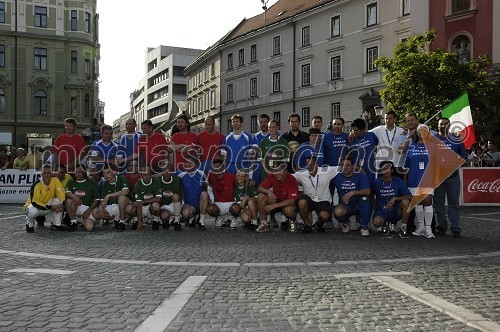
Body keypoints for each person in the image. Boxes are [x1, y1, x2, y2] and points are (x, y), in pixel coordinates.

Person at [434, 117, 467, 237]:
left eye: (445, 124)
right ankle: (442, 227)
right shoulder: (433, 139)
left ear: (449, 125)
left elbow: (463, 157)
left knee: (453, 203)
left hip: (453, 177)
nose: (442, 126)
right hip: (438, 178)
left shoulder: (456, 139)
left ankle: (455, 228)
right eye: (440, 124)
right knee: (438, 203)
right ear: (437, 126)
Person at [293, 154, 339, 233]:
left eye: (311, 164)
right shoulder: (302, 174)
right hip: (310, 200)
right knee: (301, 203)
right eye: (307, 165)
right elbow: (289, 177)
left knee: (325, 216)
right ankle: (307, 224)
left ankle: (319, 223)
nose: (309, 167)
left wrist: (357, 168)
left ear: (317, 164)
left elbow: (341, 168)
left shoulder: (326, 170)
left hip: (323, 200)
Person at [404, 125, 435, 238]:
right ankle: (420, 226)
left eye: (425, 130)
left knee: (427, 201)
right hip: (414, 179)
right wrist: (406, 178)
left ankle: (428, 228)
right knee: (417, 203)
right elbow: (407, 166)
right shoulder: (411, 147)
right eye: (419, 131)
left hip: (428, 179)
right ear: (416, 133)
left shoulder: (433, 147)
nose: (422, 132)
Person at [331, 157, 371, 236]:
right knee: (337, 212)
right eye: (343, 165)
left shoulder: (360, 176)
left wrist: (352, 193)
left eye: (348, 165)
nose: (345, 167)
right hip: (346, 205)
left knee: (365, 199)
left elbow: (368, 191)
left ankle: (364, 227)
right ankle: (345, 222)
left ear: (353, 166)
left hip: (359, 204)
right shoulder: (336, 177)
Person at [371, 161, 412, 239]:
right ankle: (385, 223)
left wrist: (395, 198)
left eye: (388, 169)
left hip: (395, 210)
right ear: (380, 171)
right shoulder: (376, 182)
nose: (386, 171)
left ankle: (403, 227)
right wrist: (375, 209)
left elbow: (410, 196)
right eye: (383, 169)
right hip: (382, 210)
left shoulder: (398, 181)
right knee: (376, 222)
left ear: (392, 170)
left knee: (406, 202)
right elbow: (371, 195)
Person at [256, 162, 299, 233]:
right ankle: (264, 223)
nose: (277, 173)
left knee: (289, 210)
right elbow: (259, 188)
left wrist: (274, 206)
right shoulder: (272, 176)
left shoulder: (291, 179)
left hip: (287, 203)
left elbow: (292, 200)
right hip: (276, 199)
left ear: (285, 171)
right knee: (261, 196)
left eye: (279, 171)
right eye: (275, 171)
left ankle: (293, 222)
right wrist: (269, 191)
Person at [23, 164, 66, 233]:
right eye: (44, 173)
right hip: (35, 206)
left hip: (47, 205)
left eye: (48, 173)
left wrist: (62, 204)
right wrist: (50, 207)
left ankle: (57, 224)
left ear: (52, 173)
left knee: (58, 201)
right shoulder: (37, 184)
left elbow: (61, 193)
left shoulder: (55, 180)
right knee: (33, 211)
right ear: (41, 174)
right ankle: (29, 224)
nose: (46, 175)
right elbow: (34, 202)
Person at [91, 163, 130, 231]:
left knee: (121, 198)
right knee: (95, 212)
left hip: (125, 205)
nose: (105, 175)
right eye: (104, 173)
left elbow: (125, 191)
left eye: (108, 172)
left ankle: (122, 222)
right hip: (113, 206)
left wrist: (109, 195)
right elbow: (103, 201)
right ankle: (116, 218)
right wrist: (101, 206)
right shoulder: (105, 184)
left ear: (114, 172)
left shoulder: (122, 178)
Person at [177, 155, 210, 231]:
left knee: (204, 194)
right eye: (186, 162)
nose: (187, 164)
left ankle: (201, 222)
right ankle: (192, 217)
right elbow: (165, 174)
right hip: (189, 204)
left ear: (196, 165)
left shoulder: (202, 174)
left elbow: (208, 189)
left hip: (201, 203)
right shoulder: (181, 175)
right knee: (185, 214)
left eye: (190, 163)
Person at [207, 158, 240, 229]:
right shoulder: (211, 176)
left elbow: (240, 183)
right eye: (214, 167)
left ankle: (234, 219)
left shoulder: (231, 176)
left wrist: (250, 182)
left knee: (236, 209)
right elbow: (208, 184)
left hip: (231, 203)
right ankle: (220, 217)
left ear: (222, 166)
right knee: (210, 209)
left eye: (218, 166)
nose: (216, 169)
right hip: (218, 204)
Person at [65, 164, 100, 231]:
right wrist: (74, 196)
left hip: (88, 208)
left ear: (84, 173)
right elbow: (67, 193)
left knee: (89, 228)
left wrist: (88, 211)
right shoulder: (71, 181)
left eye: (80, 172)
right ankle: (73, 222)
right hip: (76, 206)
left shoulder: (92, 182)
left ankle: (82, 220)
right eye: (76, 172)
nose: (78, 174)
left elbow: (96, 199)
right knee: (69, 200)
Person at [369, 110, 405, 175]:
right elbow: (366, 133)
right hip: (383, 165)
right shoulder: (379, 129)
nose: (388, 120)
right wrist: (352, 133)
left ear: (395, 119)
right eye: (386, 118)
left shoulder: (401, 131)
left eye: (390, 118)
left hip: (396, 165)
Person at [126, 166, 161, 231]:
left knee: (156, 206)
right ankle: (136, 220)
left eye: (149, 175)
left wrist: (144, 202)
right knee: (128, 208)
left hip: (151, 206)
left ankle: (155, 220)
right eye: (145, 175)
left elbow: (158, 198)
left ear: (151, 174)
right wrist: (140, 221)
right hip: (141, 206)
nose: (147, 177)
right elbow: (138, 203)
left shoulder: (156, 182)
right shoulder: (138, 184)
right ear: (141, 175)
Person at [347, 118, 379, 183]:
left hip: (371, 170)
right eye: (352, 130)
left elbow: (376, 145)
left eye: (356, 130)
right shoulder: (351, 140)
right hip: (358, 171)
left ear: (363, 130)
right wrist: (355, 167)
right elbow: (348, 158)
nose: (354, 132)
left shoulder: (371, 135)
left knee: (371, 191)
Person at [251, 114, 270, 184]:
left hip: (269, 169)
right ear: (258, 124)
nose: (263, 124)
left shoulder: (274, 135)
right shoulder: (256, 136)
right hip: (257, 169)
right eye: (261, 122)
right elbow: (254, 153)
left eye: (265, 122)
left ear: (268, 122)